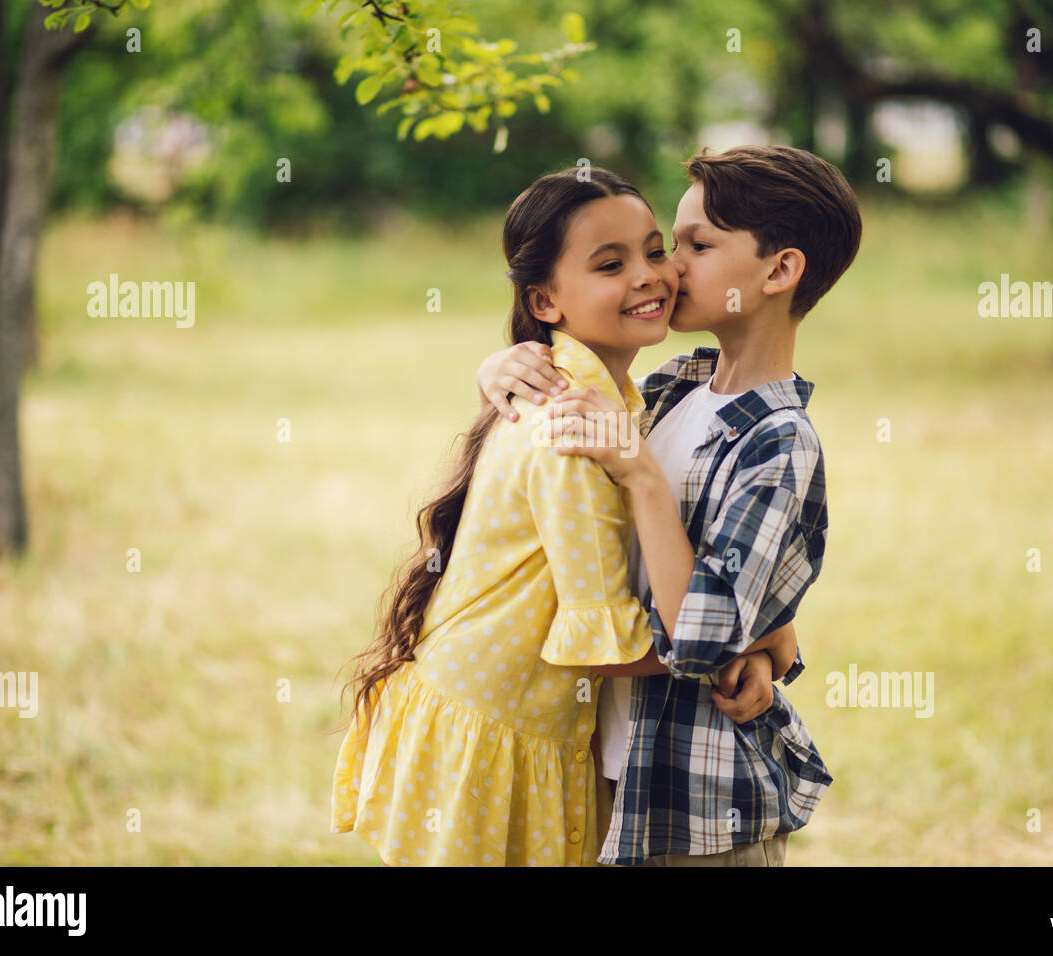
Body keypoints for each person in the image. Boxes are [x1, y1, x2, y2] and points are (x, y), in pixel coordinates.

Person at [331, 165, 791, 866]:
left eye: (656, 248)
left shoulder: (637, 397)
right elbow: (604, 645)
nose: (651, 276)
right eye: (612, 264)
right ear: (546, 301)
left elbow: (717, 534)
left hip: (522, 725)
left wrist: (773, 633)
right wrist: (743, 651)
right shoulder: (574, 432)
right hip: (494, 735)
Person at [475, 145, 862, 865]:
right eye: (669, 244)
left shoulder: (780, 445)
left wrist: (641, 475)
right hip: (615, 776)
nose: (669, 268)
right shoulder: (673, 386)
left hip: (698, 809)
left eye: (696, 245)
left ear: (778, 271)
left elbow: (699, 638)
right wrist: (500, 363)